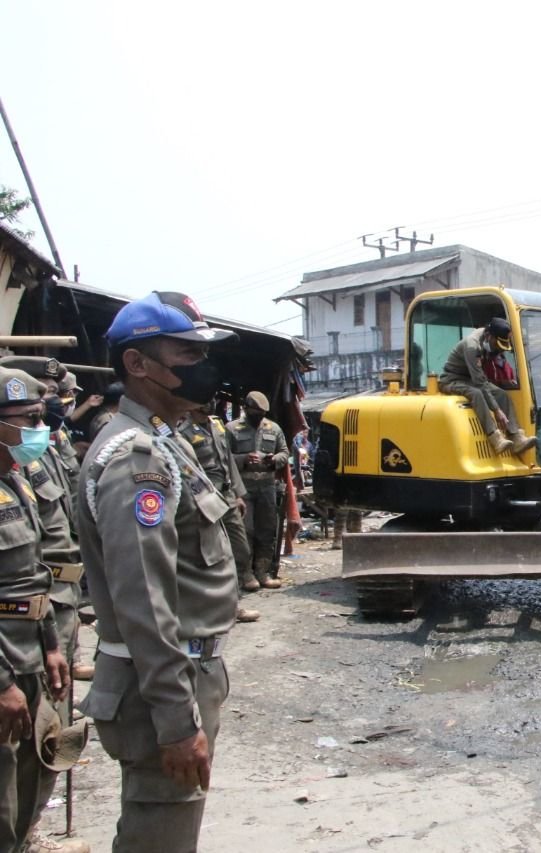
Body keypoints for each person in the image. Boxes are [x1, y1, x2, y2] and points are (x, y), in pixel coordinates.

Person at [77, 290, 239, 852]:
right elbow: (144, 599)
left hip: (179, 676)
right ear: (138, 364)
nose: (203, 368)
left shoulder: (163, 442)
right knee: (159, 839)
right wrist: (175, 720)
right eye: (187, 356)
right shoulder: (134, 457)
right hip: (159, 690)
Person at [0, 367, 74, 852]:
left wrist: (51, 646)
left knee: (30, 783)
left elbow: (37, 575)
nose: (39, 428)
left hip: (30, 656)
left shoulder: (17, 483)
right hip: (5, 667)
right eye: (28, 419)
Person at [18, 369, 92, 853]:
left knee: (53, 726)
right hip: (22, 624)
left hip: (58, 608)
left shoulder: (37, 461)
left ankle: (30, 827)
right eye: (30, 415)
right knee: (24, 732)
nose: (42, 419)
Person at [180, 402, 260, 621]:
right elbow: (187, 471)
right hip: (205, 500)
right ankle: (227, 608)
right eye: (203, 401)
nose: (209, 404)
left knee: (240, 550)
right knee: (214, 555)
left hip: (227, 497)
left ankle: (230, 602)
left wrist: (238, 494)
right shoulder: (183, 432)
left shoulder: (217, 425)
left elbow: (228, 463)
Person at [439, 317, 536, 455]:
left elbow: (481, 379)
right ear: (489, 336)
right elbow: (479, 383)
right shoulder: (472, 346)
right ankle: (495, 438)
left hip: (470, 379)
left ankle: (516, 437)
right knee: (476, 394)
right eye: (497, 346)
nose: (497, 350)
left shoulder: (486, 336)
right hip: (452, 379)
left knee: (502, 394)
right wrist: (497, 411)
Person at [227, 391, 288, 590]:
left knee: (267, 529)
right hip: (243, 487)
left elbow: (285, 453)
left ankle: (263, 572)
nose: (259, 416)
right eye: (255, 412)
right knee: (245, 531)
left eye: (262, 413)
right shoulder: (232, 428)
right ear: (246, 409)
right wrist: (244, 459)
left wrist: (274, 460)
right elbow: (224, 458)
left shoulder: (274, 428)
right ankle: (245, 574)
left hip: (267, 486)